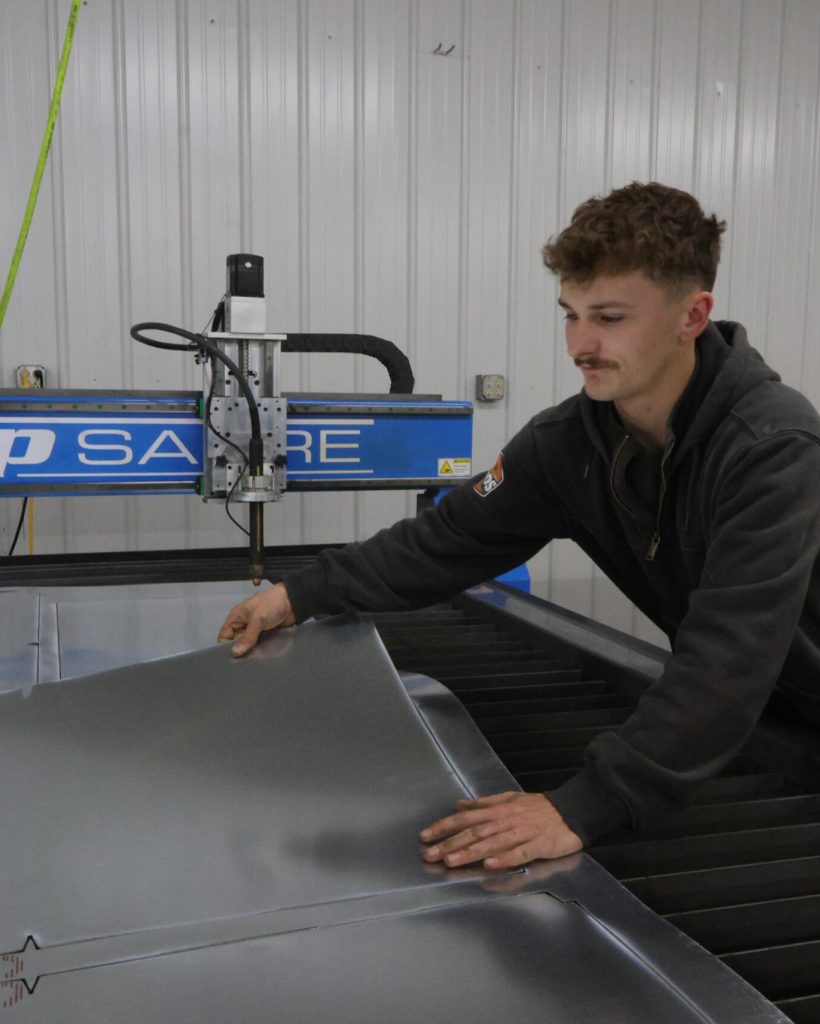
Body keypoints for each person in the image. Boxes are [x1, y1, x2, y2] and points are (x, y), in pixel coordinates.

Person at [218, 181, 820, 870]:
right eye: (570, 315)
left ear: (693, 315)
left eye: (610, 317)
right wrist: (302, 595)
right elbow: (444, 543)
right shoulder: (568, 444)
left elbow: (730, 653)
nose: (580, 345)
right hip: (769, 714)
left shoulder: (769, 447)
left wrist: (582, 805)